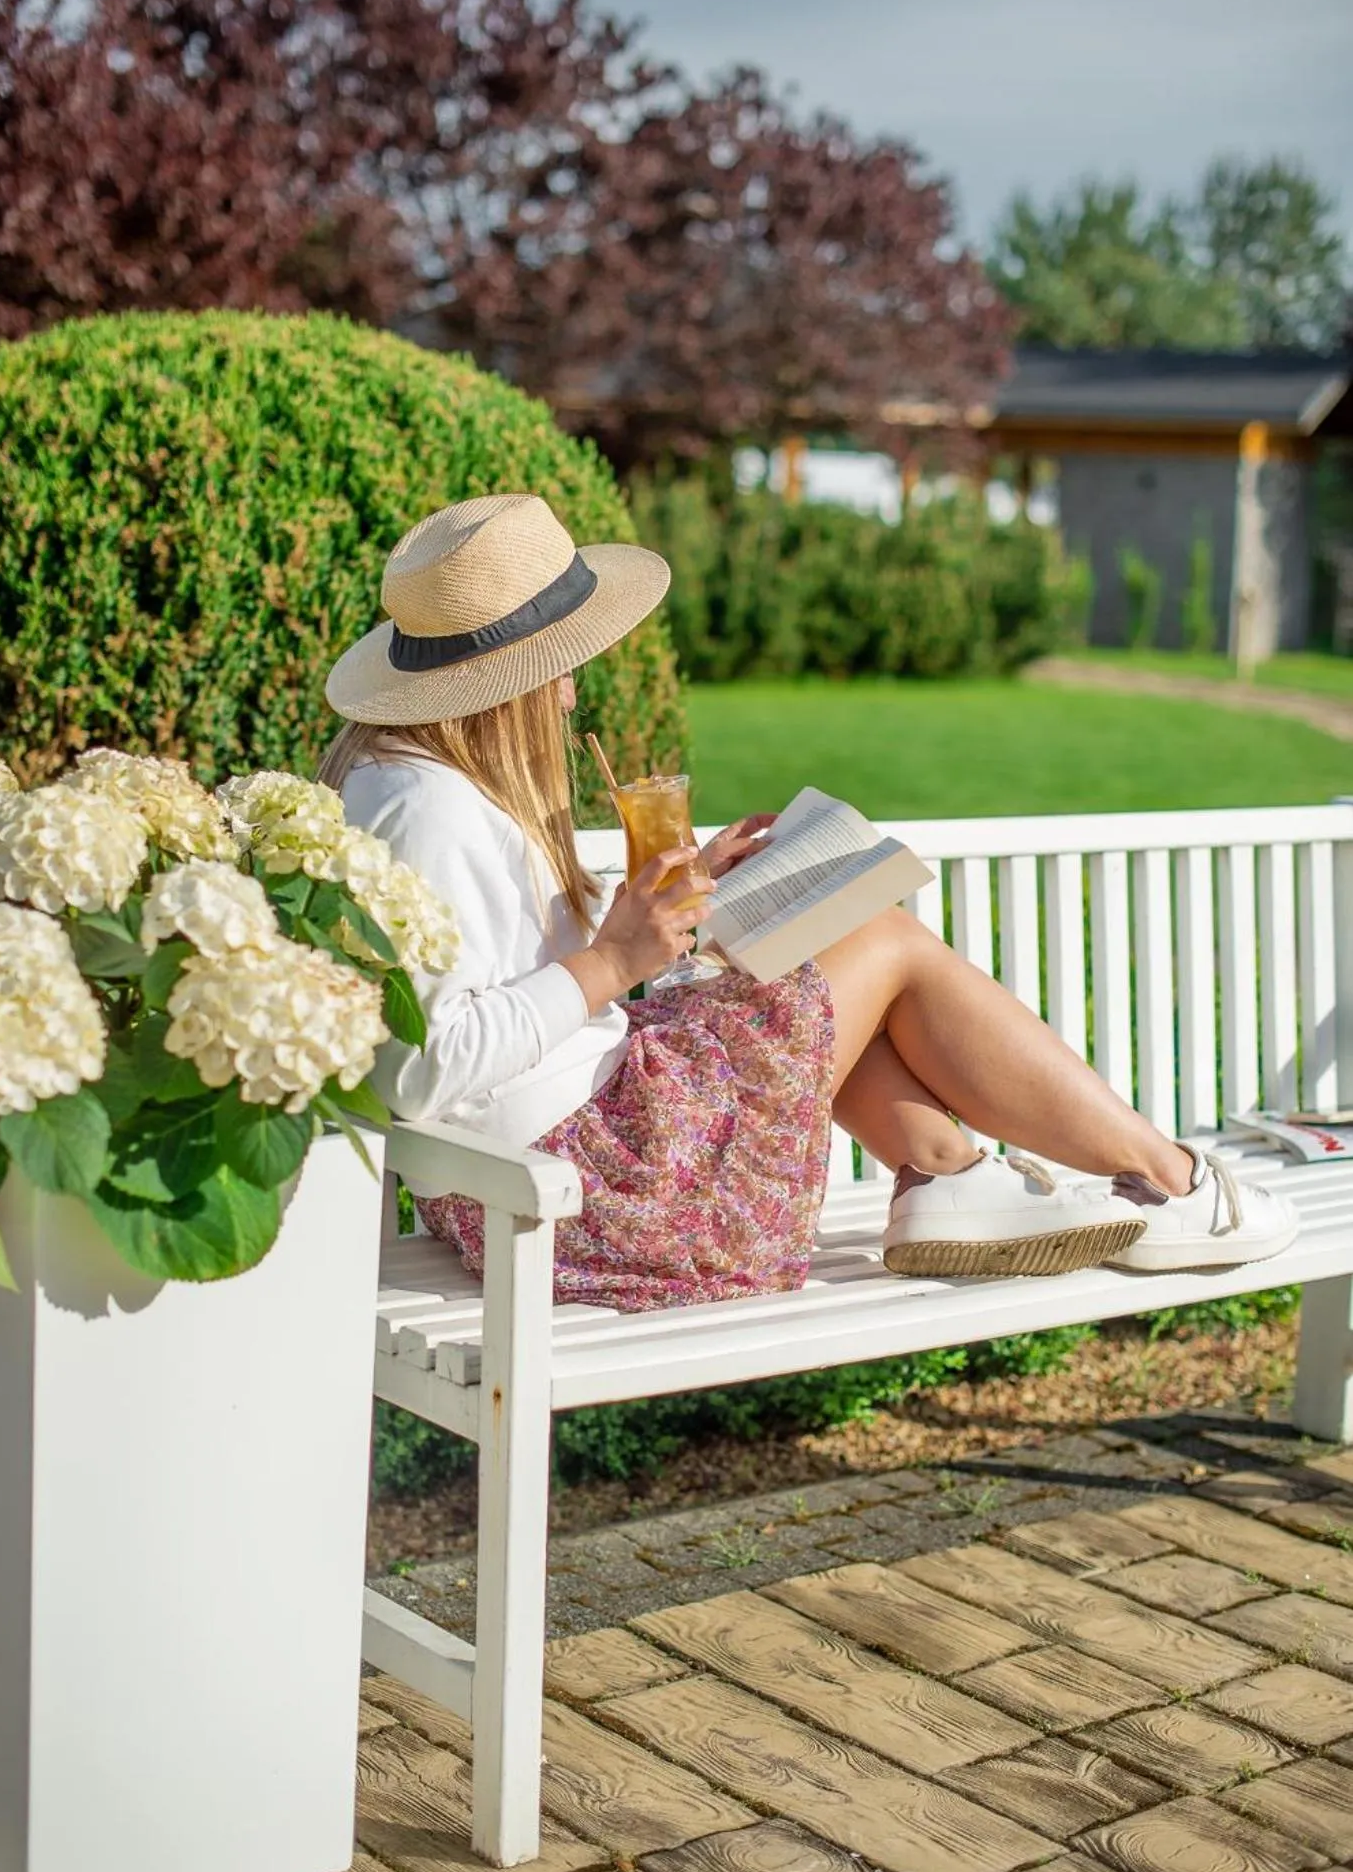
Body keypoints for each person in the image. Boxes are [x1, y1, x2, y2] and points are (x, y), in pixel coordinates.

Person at [321, 493, 1296, 1312]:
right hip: (592, 1183)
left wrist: (659, 907)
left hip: (574, 1156)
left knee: (807, 961)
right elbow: (422, 1069)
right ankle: (1162, 1178)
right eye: (565, 664)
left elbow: (501, 981)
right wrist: (613, 960)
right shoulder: (426, 810)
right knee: (884, 943)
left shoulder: (414, 786)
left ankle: (943, 1170)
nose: (573, 691)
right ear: (510, 680)